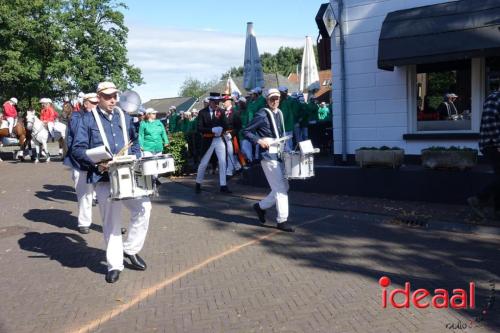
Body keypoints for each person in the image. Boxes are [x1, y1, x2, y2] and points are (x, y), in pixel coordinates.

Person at [71, 81, 152, 283]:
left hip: (127, 175)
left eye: (115, 95)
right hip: (104, 177)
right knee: (111, 221)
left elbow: (133, 143)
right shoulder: (87, 120)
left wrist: (135, 157)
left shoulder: (123, 116)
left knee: (144, 207)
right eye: (108, 96)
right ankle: (115, 264)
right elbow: (77, 149)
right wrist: (98, 163)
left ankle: (130, 249)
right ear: (98, 97)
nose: (113, 99)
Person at [242, 88, 294, 232]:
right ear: (267, 100)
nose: (275, 101)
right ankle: (282, 220)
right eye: (272, 99)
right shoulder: (262, 114)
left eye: (277, 98)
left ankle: (260, 207)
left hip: (280, 155)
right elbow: (246, 131)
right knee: (281, 190)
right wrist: (258, 140)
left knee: (284, 187)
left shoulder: (279, 113)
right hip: (268, 157)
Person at [64, 93, 99, 234]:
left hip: (99, 162)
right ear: (86, 103)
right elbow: (77, 138)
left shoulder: (98, 117)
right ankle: (84, 222)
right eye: (94, 103)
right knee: (85, 194)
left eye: (98, 102)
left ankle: (111, 224)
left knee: (107, 195)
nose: (97, 105)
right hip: (80, 162)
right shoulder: (77, 117)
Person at [467, 87, 500, 219]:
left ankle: (497, 210)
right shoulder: (495, 97)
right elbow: (490, 121)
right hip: (492, 145)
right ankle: (478, 199)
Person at [195, 93, 230, 193]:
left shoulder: (221, 111)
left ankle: (223, 185)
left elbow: (226, 125)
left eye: (218, 102)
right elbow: (199, 128)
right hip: (207, 140)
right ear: (210, 102)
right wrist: (211, 130)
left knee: (223, 162)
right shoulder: (202, 112)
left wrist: (222, 128)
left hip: (218, 139)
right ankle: (198, 183)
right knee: (204, 163)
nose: (217, 104)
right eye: (215, 102)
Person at [139, 107, 169, 185]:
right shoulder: (143, 123)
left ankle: (154, 179)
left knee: (157, 164)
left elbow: (163, 132)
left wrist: (166, 141)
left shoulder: (159, 122)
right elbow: (141, 135)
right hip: (147, 147)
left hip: (158, 147)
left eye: (155, 113)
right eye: (153, 113)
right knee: (149, 164)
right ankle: (150, 180)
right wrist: (141, 145)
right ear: (148, 115)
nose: (155, 114)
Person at [222, 95, 242, 176]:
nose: (223, 103)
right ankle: (238, 167)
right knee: (229, 153)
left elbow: (239, 126)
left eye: (224, 101)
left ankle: (229, 171)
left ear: (229, 101)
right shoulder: (223, 112)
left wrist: (231, 134)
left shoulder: (235, 112)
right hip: (224, 135)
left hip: (232, 136)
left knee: (230, 153)